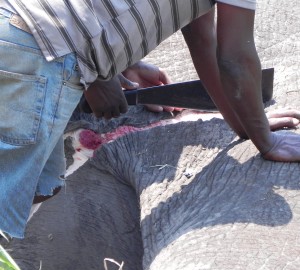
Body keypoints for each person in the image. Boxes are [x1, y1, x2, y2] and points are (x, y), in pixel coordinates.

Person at [0, 0, 299, 239]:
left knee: (42, 185)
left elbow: (202, 39)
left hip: (19, 30)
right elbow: (235, 59)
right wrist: (266, 140)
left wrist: (120, 63)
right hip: (40, 52)